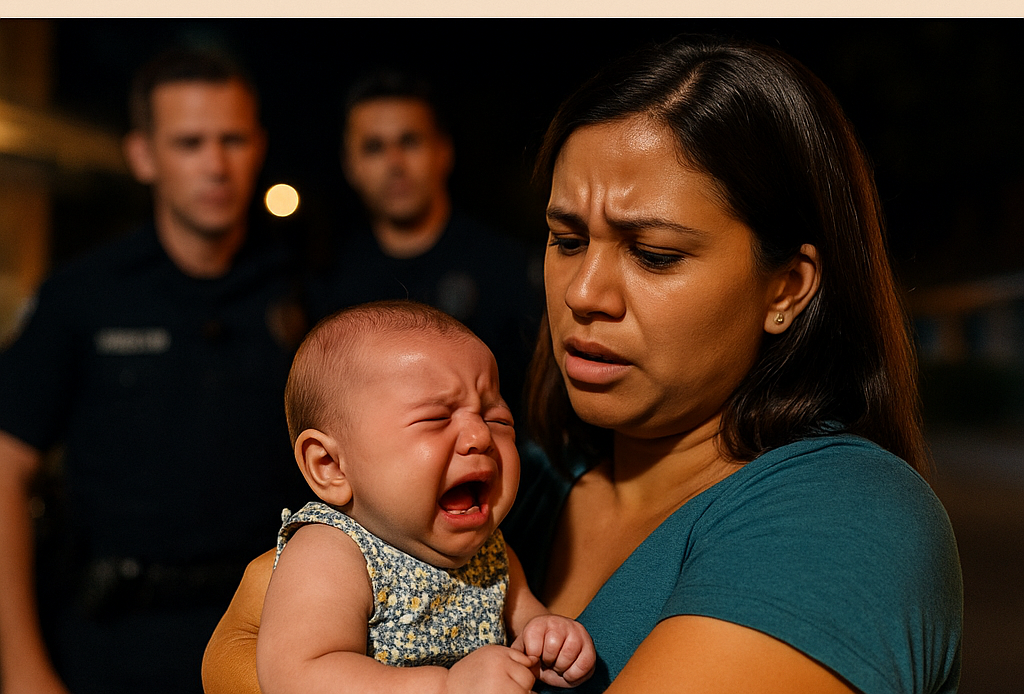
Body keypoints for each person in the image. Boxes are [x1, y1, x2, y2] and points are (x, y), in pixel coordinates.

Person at [202, 36, 963, 694]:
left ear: (787, 287)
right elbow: (241, 640)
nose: (583, 293)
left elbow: (249, 661)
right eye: (566, 241)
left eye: (653, 254)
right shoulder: (515, 484)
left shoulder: (844, 518)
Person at [0, 48, 307, 694]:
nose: (215, 165)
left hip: (265, 635)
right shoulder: (83, 296)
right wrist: (22, 667)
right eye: (189, 143)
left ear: (258, 147)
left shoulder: (304, 292)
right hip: (112, 644)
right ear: (143, 155)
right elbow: (5, 469)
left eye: (232, 140)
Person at [256, 300, 595, 694]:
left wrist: (550, 638)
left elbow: (529, 622)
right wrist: (446, 687)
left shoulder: (491, 552)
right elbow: (295, 676)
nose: (480, 436)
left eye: (497, 418)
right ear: (330, 465)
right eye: (436, 418)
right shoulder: (330, 552)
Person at [312, 69, 541, 417]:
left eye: (409, 142)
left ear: (443, 151)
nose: (394, 163)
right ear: (350, 164)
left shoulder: (503, 266)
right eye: (374, 147)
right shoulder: (331, 279)